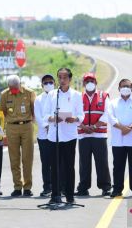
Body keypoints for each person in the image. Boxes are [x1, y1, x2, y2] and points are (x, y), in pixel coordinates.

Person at [43, 67, 84, 204]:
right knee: (54, 166)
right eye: (59, 77)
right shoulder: (52, 94)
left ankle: (70, 195)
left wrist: (74, 119)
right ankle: (55, 194)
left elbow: (81, 115)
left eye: (65, 77)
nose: (62, 80)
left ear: (70, 79)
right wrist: (52, 118)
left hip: (70, 135)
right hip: (54, 135)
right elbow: (45, 114)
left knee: (68, 166)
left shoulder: (77, 95)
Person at [75, 72, 111, 197]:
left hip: (99, 135)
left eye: (92, 81)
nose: (89, 83)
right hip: (83, 135)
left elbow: (107, 114)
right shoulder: (78, 97)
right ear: (84, 83)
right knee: (84, 163)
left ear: (96, 82)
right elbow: (75, 115)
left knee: (102, 162)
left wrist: (95, 126)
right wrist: (84, 127)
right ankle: (83, 187)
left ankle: (106, 187)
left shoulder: (104, 96)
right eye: (87, 81)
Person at [108, 78, 132, 198]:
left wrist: (130, 128)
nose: (125, 88)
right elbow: (111, 118)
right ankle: (117, 189)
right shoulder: (113, 103)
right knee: (118, 166)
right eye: (123, 86)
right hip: (118, 141)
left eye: (128, 86)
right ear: (119, 89)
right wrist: (122, 128)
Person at [0, 75, 36, 197]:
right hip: (11, 127)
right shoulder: (4, 94)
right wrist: (12, 120)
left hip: (26, 126)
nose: (13, 90)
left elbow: (33, 110)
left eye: (15, 87)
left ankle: (27, 187)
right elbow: (4, 111)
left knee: (27, 158)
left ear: (19, 84)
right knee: (14, 158)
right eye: (11, 88)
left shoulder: (29, 93)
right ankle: (17, 186)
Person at [34, 74, 55, 197]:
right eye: (45, 83)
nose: (48, 85)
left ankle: (59, 187)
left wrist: (52, 127)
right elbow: (38, 116)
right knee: (46, 163)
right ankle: (47, 187)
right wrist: (46, 126)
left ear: (54, 83)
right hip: (43, 135)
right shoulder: (38, 99)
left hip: (57, 135)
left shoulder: (58, 96)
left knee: (57, 163)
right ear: (42, 85)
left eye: (50, 82)